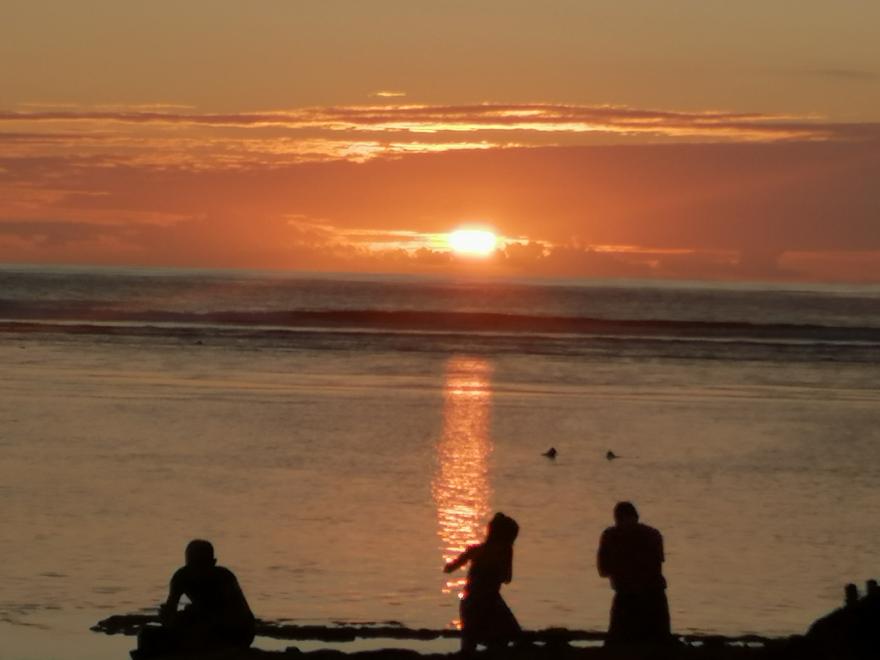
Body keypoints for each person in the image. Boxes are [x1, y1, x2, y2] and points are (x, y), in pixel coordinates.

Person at [133, 539, 256, 659]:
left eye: (202, 564)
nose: (197, 570)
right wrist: (169, 616)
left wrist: (194, 615)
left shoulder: (225, 578)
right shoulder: (181, 577)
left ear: (213, 562)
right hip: (199, 628)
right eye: (193, 564)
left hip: (234, 632)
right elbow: (171, 611)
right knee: (146, 635)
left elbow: (237, 617)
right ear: (187, 562)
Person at [444, 512, 522, 653]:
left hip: (471, 600)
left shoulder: (476, 550)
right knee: (514, 636)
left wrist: (467, 557)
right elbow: (507, 578)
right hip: (488, 601)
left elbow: (449, 568)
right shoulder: (505, 551)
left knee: (470, 643)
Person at [597, 501, 671, 645]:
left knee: (619, 645)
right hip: (649, 596)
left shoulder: (611, 536)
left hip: (636, 598)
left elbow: (604, 570)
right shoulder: (652, 534)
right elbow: (603, 570)